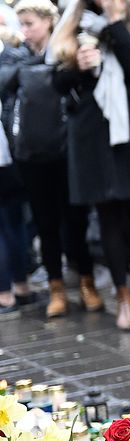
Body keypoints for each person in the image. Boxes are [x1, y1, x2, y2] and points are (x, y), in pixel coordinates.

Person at [50, 0, 130, 330]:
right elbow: (57, 83)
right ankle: (122, 297)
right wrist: (77, 64)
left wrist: (115, 21)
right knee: (107, 214)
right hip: (92, 133)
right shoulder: (75, 23)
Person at [10, 0, 103, 320]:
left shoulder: (67, 50)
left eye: (30, 23)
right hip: (32, 153)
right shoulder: (16, 57)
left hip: (67, 149)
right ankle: (56, 288)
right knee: (45, 223)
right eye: (21, 24)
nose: (25, 30)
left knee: (75, 221)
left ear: (49, 22)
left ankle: (87, 282)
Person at [0, 32, 30, 318]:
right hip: (8, 151)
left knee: (9, 221)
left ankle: (9, 292)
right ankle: (17, 289)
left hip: (7, 151)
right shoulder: (12, 56)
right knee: (12, 220)